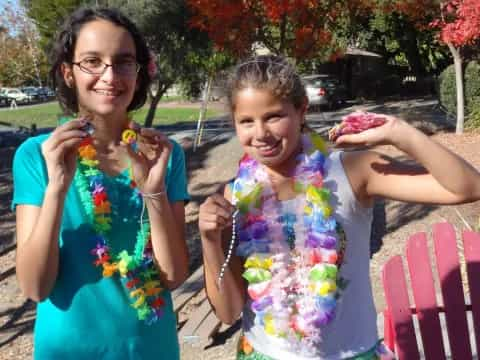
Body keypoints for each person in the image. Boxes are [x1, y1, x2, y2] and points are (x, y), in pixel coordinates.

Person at [198, 54, 480, 360]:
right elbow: (228, 313)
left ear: (301, 109)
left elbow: (467, 188)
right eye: (246, 121)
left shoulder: (352, 171)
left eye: (274, 116)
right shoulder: (236, 194)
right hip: (261, 352)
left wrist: (399, 132)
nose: (261, 133)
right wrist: (210, 240)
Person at [12, 7, 189, 359]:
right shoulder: (37, 156)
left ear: (138, 74)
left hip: (150, 349)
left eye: (124, 62)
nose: (110, 75)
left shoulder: (162, 156)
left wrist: (152, 190)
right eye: (92, 61)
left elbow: (172, 276)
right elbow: (35, 286)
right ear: (68, 73)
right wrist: (57, 188)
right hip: (67, 351)